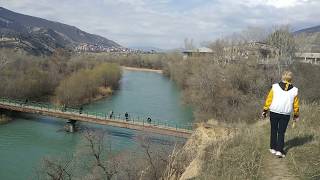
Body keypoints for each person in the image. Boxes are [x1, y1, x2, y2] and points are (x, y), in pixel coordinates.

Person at [262, 71, 299, 158]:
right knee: (281, 132)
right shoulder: (295, 90)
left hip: (274, 111)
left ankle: (272, 148)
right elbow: (296, 104)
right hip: (285, 114)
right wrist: (296, 115)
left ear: (282, 77)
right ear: (291, 78)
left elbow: (269, 99)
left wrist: (265, 110)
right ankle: (279, 150)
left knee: (273, 130)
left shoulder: (274, 87)